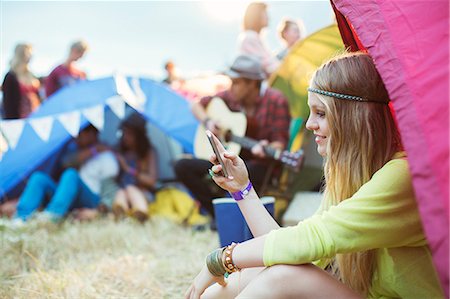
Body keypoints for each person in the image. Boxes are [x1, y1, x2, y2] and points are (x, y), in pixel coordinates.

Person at [185, 52, 444, 299]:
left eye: (321, 113)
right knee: (259, 271)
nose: (309, 124)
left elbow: (309, 241)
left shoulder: (403, 176)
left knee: (283, 277)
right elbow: (291, 252)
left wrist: (221, 260)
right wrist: (242, 189)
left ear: (352, 118)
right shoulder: (350, 178)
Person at [174, 54, 290, 220]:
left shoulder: (276, 100)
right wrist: (208, 121)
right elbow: (195, 105)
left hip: (258, 166)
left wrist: (267, 148)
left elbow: (279, 144)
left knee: (248, 170)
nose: (231, 87)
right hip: (229, 161)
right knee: (182, 166)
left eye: (236, 83)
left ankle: (235, 217)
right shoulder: (230, 97)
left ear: (252, 83)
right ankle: (219, 216)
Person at [13, 125, 118, 223]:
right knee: (38, 178)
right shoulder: (74, 150)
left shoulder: (107, 157)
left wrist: (98, 211)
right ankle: (20, 218)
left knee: (71, 175)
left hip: (91, 199)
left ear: (91, 134)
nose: (76, 138)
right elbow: (66, 162)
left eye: (80, 134)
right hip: (67, 196)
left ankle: (51, 217)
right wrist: (92, 151)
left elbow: (110, 191)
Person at [112, 113, 158, 222]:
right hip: (122, 191)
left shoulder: (148, 152)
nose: (125, 137)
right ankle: (121, 216)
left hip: (143, 193)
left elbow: (151, 181)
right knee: (121, 193)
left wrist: (128, 169)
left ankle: (141, 212)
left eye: (129, 134)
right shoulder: (118, 151)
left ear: (138, 136)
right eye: (124, 132)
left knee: (130, 189)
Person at [237, 2, 280, 76]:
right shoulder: (250, 37)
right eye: (265, 14)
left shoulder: (254, 37)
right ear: (256, 16)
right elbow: (267, 65)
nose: (268, 17)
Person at [1, 43, 41, 119]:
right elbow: (8, 103)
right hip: (18, 118)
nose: (30, 56)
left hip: (35, 116)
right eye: (28, 53)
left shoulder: (31, 75)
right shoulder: (11, 76)